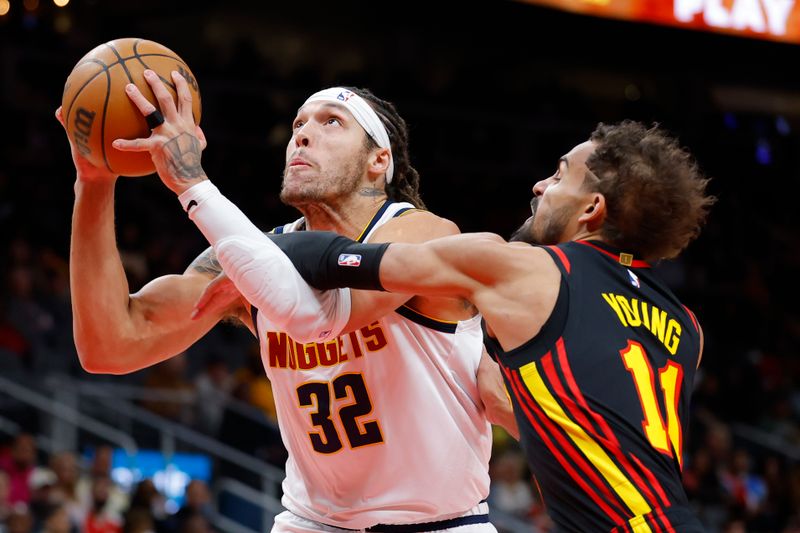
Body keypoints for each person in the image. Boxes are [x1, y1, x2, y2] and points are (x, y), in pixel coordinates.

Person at [188, 117, 715, 531]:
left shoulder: (523, 268)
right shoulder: (687, 327)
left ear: (592, 209)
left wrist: (212, 210)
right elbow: (552, 407)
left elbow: (336, 260)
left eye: (558, 176)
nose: (539, 184)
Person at [58, 68, 515, 532]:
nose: (303, 136)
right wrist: (94, 183)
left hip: (437, 523)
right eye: (298, 125)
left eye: (331, 121)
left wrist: (192, 183)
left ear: (379, 160)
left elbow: (323, 314)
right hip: (309, 521)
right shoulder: (246, 254)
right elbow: (109, 345)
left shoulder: (424, 234)